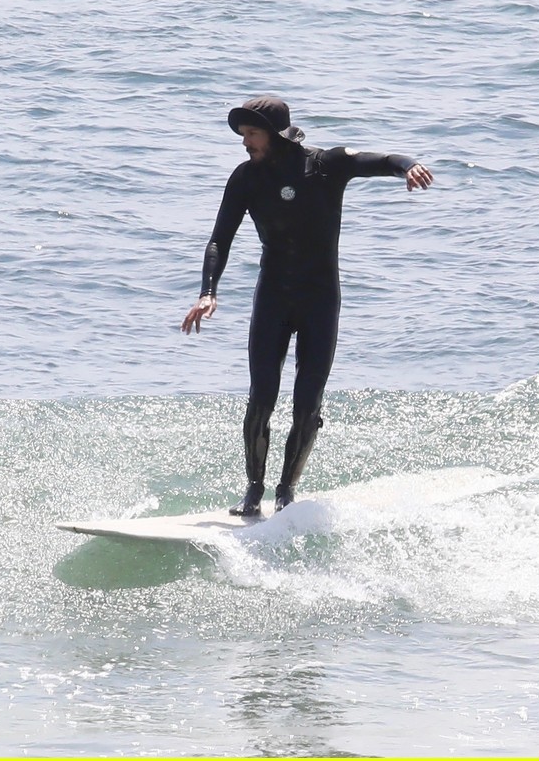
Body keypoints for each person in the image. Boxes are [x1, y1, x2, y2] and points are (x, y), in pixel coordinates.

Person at [181, 96, 434, 516]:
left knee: (307, 402)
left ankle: (286, 492)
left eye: (252, 134)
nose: (245, 143)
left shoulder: (326, 165)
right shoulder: (245, 178)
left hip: (320, 299)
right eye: (243, 135)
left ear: (277, 134)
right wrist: (208, 291)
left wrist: (408, 166)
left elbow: (383, 158)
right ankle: (254, 488)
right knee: (261, 397)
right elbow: (218, 239)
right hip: (273, 298)